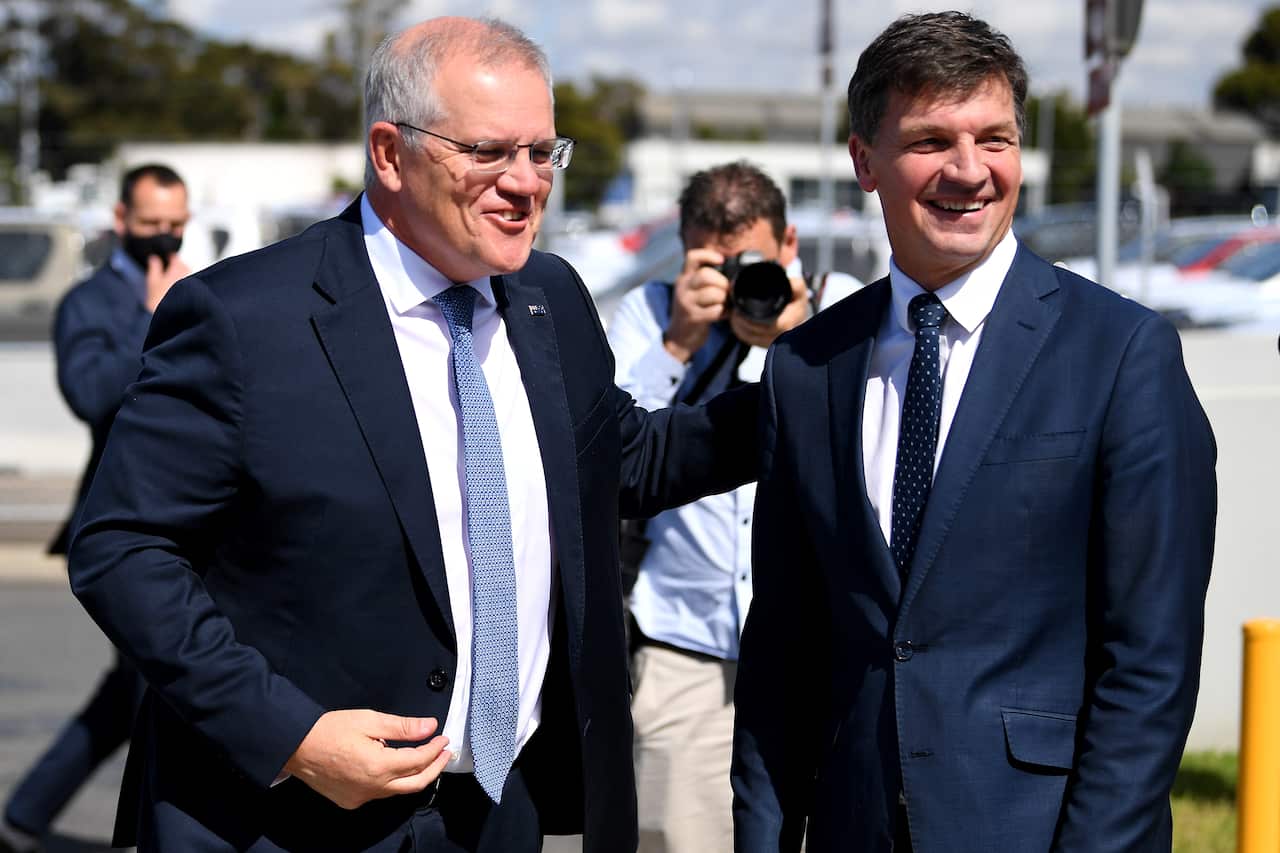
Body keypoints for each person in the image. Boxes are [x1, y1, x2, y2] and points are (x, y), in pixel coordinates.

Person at [65, 16, 755, 853]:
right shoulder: (246, 319)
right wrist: (290, 734)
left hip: (497, 811)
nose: (526, 182)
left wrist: (810, 390)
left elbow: (624, 458)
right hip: (285, 822)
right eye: (489, 152)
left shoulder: (550, 300)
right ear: (390, 153)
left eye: (543, 152)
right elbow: (122, 547)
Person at [731, 11, 1217, 853]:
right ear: (864, 161)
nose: (969, 170)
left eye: (995, 138)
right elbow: (782, 652)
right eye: (932, 140)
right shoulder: (806, 368)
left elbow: (1150, 664)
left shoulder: (1123, 353)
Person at [607, 161, 836, 853]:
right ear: (685, 253)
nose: (739, 283)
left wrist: (803, 341)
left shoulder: (841, 310)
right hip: (684, 643)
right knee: (676, 837)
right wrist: (679, 342)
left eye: (752, 263)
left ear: (789, 244)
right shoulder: (648, 315)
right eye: (716, 264)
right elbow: (610, 455)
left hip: (817, 647)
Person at [0, 164, 191, 853]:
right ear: (120, 221)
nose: (164, 237)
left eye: (176, 225)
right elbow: (91, 394)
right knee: (162, 686)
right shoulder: (90, 302)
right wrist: (156, 318)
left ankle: (25, 813)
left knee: (135, 689)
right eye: (151, 225)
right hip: (122, 523)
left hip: (190, 518)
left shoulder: (195, 287)